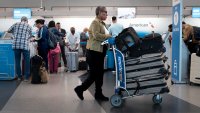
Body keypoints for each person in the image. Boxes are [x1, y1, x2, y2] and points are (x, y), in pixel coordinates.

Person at [74, 6, 112, 101]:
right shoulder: (95, 22)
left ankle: (98, 94)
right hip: (94, 52)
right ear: (99, 13)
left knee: (99, 74)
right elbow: (96, 36)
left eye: (106, 13)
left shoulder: (102, 23)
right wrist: (108, 36)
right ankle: (80, 89)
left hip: (99, 51)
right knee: (95, 74)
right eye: (104, 13)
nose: (106, 15)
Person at [8, 16, 32, 81]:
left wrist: (15, 34)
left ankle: (19, 76)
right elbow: (30, 35)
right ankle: (26, 77)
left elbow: (8, 30)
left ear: (21, 20)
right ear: (27, 21)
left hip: (16, 45)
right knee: (27, 61)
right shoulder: (29, 26)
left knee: (17, 61)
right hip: (25, 45)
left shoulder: (16, 24)